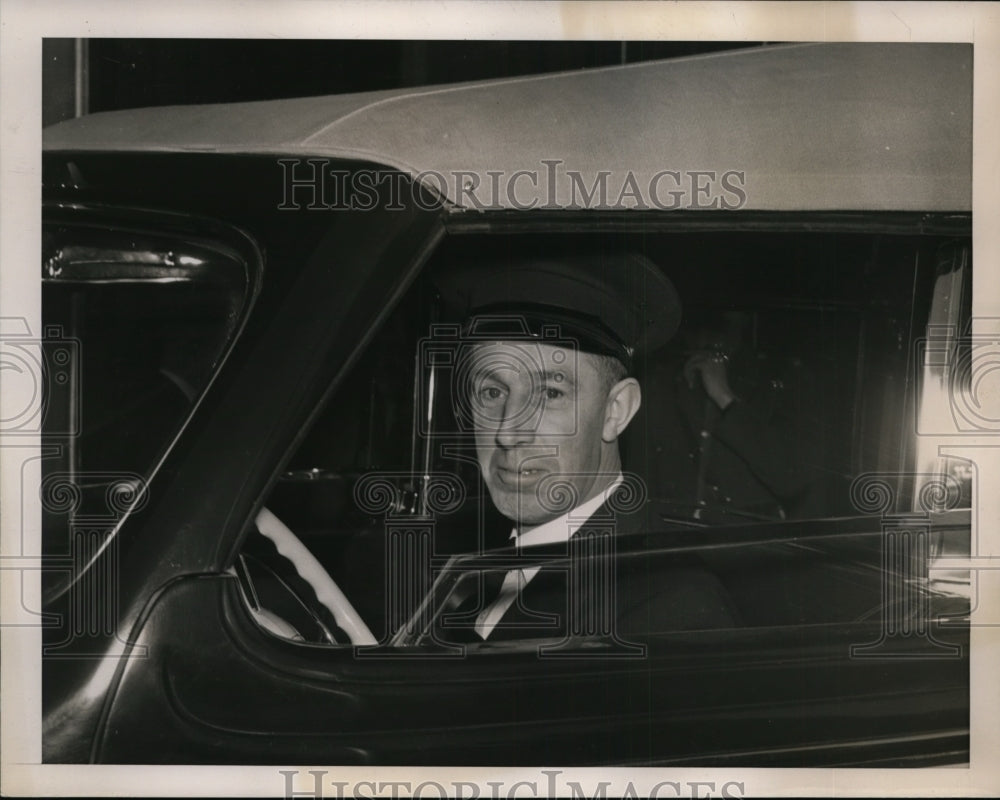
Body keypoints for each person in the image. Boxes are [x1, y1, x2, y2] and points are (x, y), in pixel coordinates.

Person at [431, 250, 738, 643]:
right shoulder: (491, 563)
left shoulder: (668, 609)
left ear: (615, 411)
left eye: (551, 394)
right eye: (492, 392)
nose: (507, 432)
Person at [632, 310, 815, 522]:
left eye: (724, 322)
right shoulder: (658, 384)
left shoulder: (778, 381)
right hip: (675, 533)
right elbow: (639, 486)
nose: (710, 337)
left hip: (749, 536)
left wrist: (725, 398)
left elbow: (791, 477)